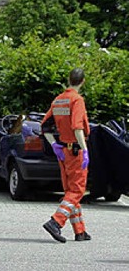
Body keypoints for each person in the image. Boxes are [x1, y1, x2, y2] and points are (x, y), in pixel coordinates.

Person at [41, 68, 91, 243]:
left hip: (63, 152)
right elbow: (77, 127)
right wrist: (84, 150)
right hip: (75, 151)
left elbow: (45, 126)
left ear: (69, 80)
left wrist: (54, 144)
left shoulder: (59, 100)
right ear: (82, 81)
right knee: (77, 190)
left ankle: (80, 231)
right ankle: (56, 222)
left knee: (71, 192)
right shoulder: (77, 100)